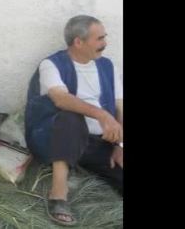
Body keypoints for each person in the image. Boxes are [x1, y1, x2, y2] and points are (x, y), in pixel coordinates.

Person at [25, 15, 123, 226]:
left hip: (99, 143)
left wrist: (120, 144)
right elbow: (61, 99)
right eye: (100, 39)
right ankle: (58, 193)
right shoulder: (51, 64)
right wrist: (102, 115)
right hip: (54, 139)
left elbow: (120, 106)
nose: (105, 44)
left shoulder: (108, 66)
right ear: (78, 42)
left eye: (104, 37)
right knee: (71, 116)